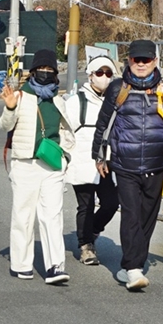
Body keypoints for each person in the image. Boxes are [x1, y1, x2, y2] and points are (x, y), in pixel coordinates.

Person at [91, 39, 163, 292]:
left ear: (155, 61)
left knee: (147, 217)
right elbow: (103, 124)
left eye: (146, 60)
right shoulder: (118, 88)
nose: (141, 64)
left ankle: (132, 265)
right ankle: (133, 269)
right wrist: (99, 156)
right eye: (136, 60)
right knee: (131, 214)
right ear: (129, 61)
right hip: (124, 164)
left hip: (156, 164)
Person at [0, 48, 75, 285]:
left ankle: (55, 266)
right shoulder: (20, 96)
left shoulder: (58, 99)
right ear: (32, 71)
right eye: (40, 68)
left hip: (52, 165)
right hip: (25, 164)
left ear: (55, 73)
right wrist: (10, 107)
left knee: (52, 216)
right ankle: (21, 264)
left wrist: (65, 156)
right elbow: (4, 126)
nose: (45, 72)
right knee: (23, 216)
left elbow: (66, 130)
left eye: (49, 69)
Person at [62, 54, 120, 267]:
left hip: (106, 162)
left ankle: (93, 230)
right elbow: (65, 131)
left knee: (111, 203)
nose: (104, 77)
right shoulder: (76, 102)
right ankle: (86, 246)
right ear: (90, 76)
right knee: (85, 205)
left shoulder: (115, 102)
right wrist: (65, 160)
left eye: (108, 73)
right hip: (82, 160)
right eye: (100, 73)